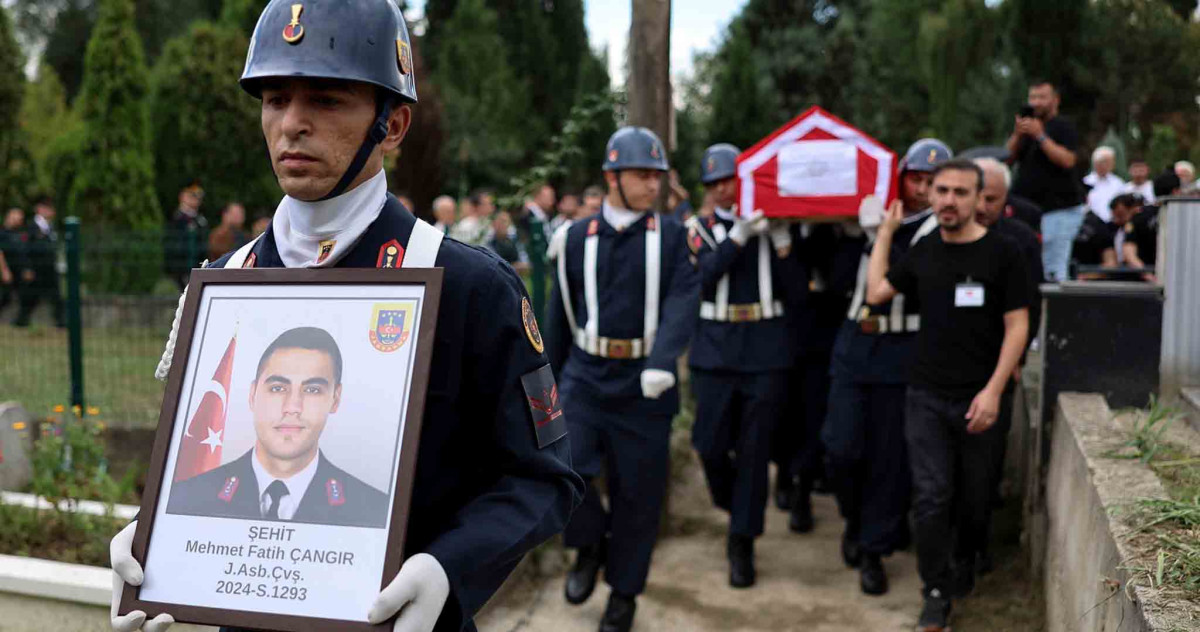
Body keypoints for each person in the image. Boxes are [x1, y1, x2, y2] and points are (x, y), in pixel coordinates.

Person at [109, 3, 583, 632]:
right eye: (275, 98)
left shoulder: (470, 288)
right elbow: (209, 454)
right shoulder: (227, 285)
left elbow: (542, 479)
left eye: (326, 100)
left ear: (392, 125)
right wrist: (160, 539)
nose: (292, 124)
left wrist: (447, 567)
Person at [866, 158, 1030, 632]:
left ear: (980, 200)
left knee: (976, 498)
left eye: (960, 192)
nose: (948, 201)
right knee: (932, 498)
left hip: (982, 398)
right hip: (926, 396)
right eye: (941, 191)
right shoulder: (922, 252)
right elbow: (878, 292)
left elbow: (1017, 326)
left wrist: (995, 392)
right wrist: (883, 234)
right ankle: (935, 591)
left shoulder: (1004, 253)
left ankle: (967, 556)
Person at [546, 126, 699, 632]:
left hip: (644, 381)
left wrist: (662, 359)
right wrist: (546, 382)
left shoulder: (674, 237)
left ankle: (624, 594)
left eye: (657, 175)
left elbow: (683, 299)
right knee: (566, 468)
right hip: (586, 375)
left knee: (639, 494)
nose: (652, 184)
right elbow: (559, 315)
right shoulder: (572, 239)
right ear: (611, 177)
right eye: (641, 175)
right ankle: (588, 546)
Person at [822, 138, 950, 597]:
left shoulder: (938, 230)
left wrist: (883, 235)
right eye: (917, 178)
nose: (923, 189)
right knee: (840, 446)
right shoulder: (873, 213)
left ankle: (873, 547)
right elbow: (836, 282)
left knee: (888, 456)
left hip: (903, 346)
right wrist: (849, 233)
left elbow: (904, 282)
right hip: (856, 341)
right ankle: (854, 519)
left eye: (933, 182)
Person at [685, 143, 802, 587]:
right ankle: (736, 505)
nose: (722, 189)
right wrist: (738, 238)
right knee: (709, 444)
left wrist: (782, 241)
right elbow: (703, 277)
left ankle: (742, 540)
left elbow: (798, 294)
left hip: (765, 347)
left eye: (729, 179)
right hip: (715, 347)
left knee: (755, 449)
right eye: (714, 183)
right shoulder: (697, 228)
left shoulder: (772, 225)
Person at [168, 327, 388, 527]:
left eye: (312, 390)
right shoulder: (186, 498)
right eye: (277, 388)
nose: (292, 407)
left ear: (335, 399)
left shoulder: (376, 510)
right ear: (253, 395)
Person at [1007, 79, 1083, 282]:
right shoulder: (1026, 129)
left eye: (1042, 97)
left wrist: (1040, 136)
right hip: (1026, 212)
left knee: (1051, 271)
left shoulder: (1063, 126)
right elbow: (1006, 159)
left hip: (1058, 211)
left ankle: (1054, 313)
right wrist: (1017, 134)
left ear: (1055, 100)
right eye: (1032, 97)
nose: (1036, 102)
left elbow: (1068, 160)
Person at [14, 198, 64, 328]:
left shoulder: (50, 228)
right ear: (39, 209)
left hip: (49, 268)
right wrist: (27, 268)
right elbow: (25, 249)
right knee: (31, 298)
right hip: (36, 269)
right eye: (46, 208)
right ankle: (21, 320)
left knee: (56, 297)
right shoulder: (31, 226)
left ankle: (62, 321)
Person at [1123, 171, 1180, 278]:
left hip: (1145, 279)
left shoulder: (1139, 215)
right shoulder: (1183, 218)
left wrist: (1147, 275)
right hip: (1176, 279)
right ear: (1176, 191)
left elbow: (1129, 253)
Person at [1072, 193, 1139, 275]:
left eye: (1121, 215)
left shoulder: (1139, 228)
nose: (1117, 219)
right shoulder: (1106, 228)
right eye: (1116, 215)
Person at [164, 182, 208, 290]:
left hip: (197, 265)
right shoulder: (176, 219)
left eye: (197, 197)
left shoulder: (200, 220)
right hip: (181, 268)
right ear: (182, 196)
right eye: (191, 195)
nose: (195, 199)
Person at [1082, 146, 1124, 222]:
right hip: (1090, 225)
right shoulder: (1086, 182)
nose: (1105, 165)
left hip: (1112, 226)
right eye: (1103, 162)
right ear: (1095, 163)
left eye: (1110, 162)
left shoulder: (1118, 183)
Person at [0, 207, 23, 316]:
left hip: (16, 271)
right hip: (6, 271)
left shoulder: (18, 233)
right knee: (5, 297)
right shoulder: (2, 233)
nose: (19, 220)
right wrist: (4, 270)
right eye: (16, 217)